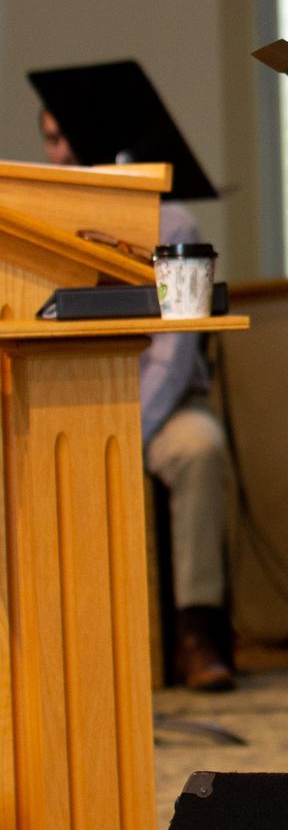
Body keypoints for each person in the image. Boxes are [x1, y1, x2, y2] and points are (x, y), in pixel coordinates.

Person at [39, 106, 236, 692]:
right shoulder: (43, 220)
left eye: (69, 136)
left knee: (201, 450)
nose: (61, 152)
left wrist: (126, 434)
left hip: (159, 407)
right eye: (50, 139)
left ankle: (195, 630)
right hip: (72, 401)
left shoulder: (169, 222)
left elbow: (174, 357)